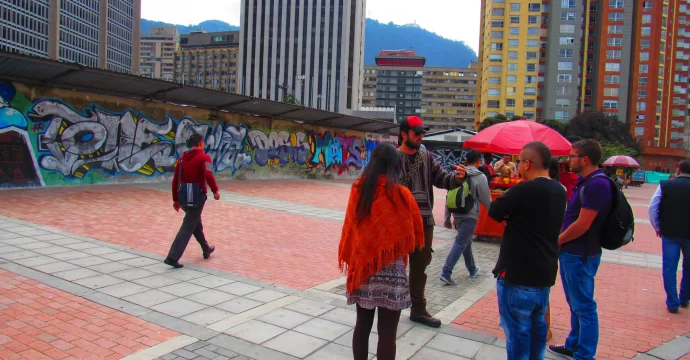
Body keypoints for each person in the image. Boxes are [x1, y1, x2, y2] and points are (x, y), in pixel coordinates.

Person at [338, 142, 425, 360]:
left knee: (362, 325)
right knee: (388, 334)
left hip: (364, 269)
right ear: (395, 166)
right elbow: (414, 229)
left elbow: (352, 230)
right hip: (392, 274)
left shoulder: (358, 189)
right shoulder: (401, 194)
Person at [488, 142, 567, 360]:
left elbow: (495, 210)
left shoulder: (524, 189)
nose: (517, 166)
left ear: (527, 163)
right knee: (537, 333)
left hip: (518, 276)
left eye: (519, 161)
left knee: (518, 336)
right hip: (543, 275)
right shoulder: (560, 190)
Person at [398, 115, 466, 328]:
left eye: (422, 132)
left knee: (420, 266)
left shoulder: (426, 157)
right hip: (397, 221)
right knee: (393, 265)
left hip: (424, 221)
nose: (421, 136)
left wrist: (458, 179)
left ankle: (418, 309)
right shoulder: (391, 157)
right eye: (416, 132)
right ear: (403, 134)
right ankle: (389, 303)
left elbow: (442, 179)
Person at [549, 139, 612, 360]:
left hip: (580, 254)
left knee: (584, 307)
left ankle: (585, 355)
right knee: (575, 304)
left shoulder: (597, 184)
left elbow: (583, 223)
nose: (568, 160)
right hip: (573, 253)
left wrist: (559, 240)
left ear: (584, 159)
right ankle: (573, 344)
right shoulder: (586, 181)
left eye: (572, 156)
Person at [166, 134, 219, 268]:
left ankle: (206, 249)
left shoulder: (182, 159)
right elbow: (208, 174)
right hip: (197, 197)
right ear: (201, 143)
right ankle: (172, 257)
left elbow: (175, 180)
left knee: (195, 223)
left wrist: (175, 199)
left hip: (184, 197)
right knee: (188, 226)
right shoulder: (204, 158)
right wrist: (215, 191)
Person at [440, 149, 491, 285]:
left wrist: (446, 218)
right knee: (461, 242)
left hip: (457, 214)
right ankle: (446, 271)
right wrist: (494, 213)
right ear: (478, 161)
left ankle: (472, 269)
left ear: (467, 161)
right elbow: (486, 199)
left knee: (465, 241)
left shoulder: (458, 172)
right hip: (470, 214)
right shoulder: (480, 176)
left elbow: (449, 195)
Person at [648, 158, 690, 313]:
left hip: (670, 232)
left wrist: (658, 226)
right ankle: (685, 298)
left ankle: (672, 302)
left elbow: (653, 207)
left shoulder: (666, 185)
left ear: (678, 170)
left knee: (670, 267)